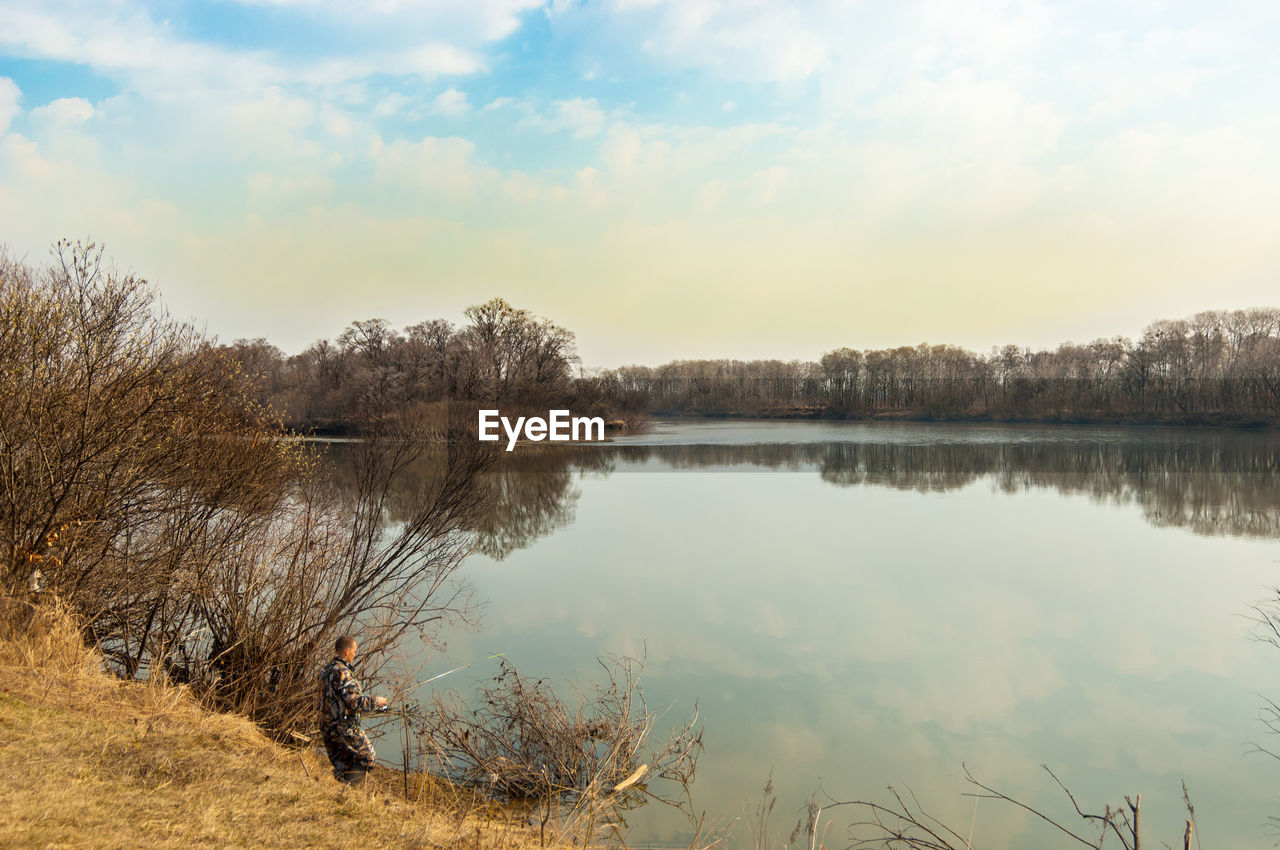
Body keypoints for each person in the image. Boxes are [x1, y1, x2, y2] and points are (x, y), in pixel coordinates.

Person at [317, 635, 388, 784]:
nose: (355, 654)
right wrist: (377, 701)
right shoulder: (343, 673)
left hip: (326, 727)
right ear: (346, 652)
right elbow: (354, 702)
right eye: (354, 651)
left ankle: (340, 792)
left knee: (343, 764)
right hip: (344, 729)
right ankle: (347, 789)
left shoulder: (325, 669)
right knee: (368, 758)